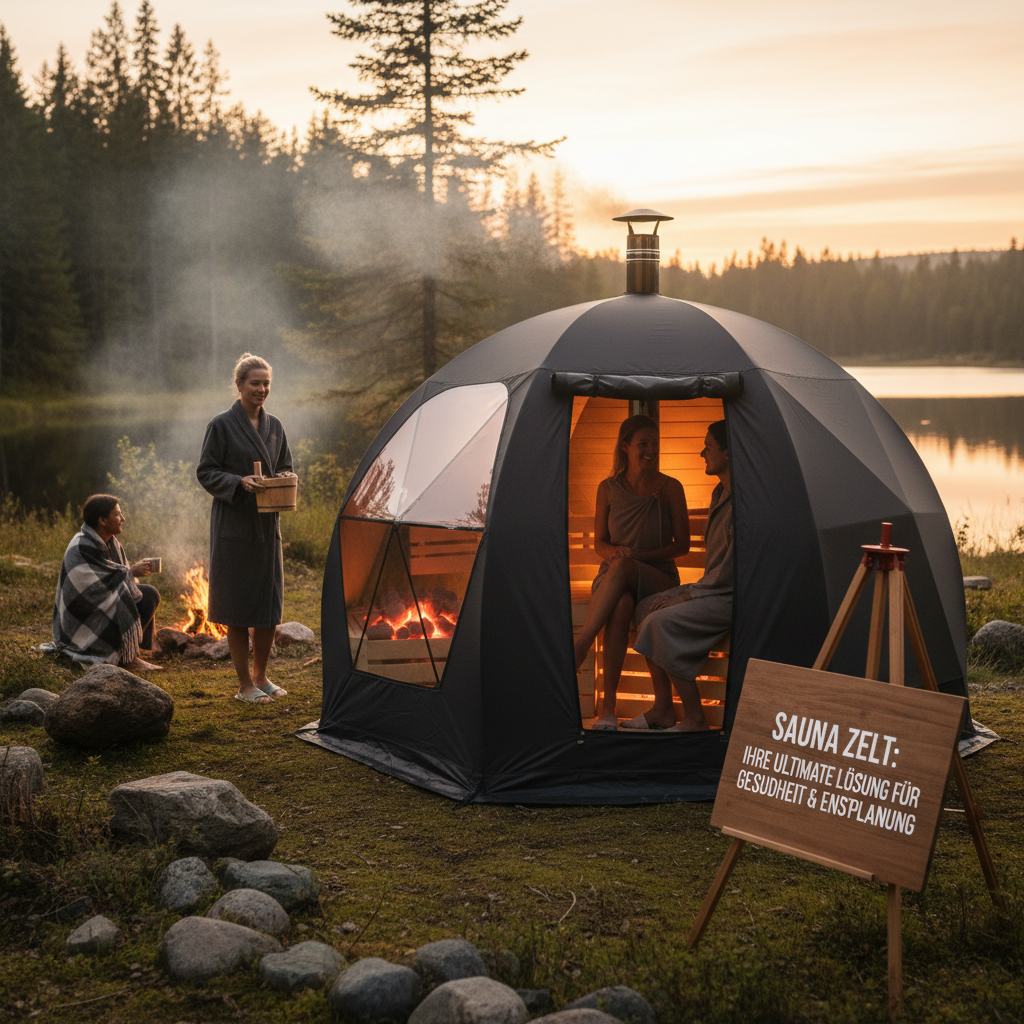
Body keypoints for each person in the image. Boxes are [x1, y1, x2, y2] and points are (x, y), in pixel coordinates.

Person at [573, 414, 691, 730]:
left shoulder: (670, 487)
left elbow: (683, 546)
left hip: (659, 576)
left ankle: (582, 643)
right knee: (622, 604)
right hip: (615, 576)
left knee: (623, 569)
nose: (651, 450)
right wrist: (616, 554)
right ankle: (608, 712)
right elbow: (600, 542)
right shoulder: (608, 488)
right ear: (625, 447)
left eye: (655, 444)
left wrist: (637, 557)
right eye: (643, 444)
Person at [197, 352, 295, 704]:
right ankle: (244, 686)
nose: (262, 389)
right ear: (239, 385)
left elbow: (284, 464)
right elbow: (206, 472)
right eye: (255, 383)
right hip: (234, 526)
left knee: (268, 606)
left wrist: (283, 476)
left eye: (267, 383)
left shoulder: (276, 427)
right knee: (238, 608)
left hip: (268, 527)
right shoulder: (221, 425)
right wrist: (239, 481)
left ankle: (262, 677)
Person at [623, 419, 733, 731]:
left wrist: (687, 594)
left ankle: (696, 717)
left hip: (729, 597)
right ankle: (662, 709)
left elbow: (730, 571)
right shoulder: (718, 493)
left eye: (709, 447)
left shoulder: (744, 501)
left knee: (659, 621)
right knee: (644, 607)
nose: (702, 453)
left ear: (728, 453)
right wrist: (688, 591)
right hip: (712, 588)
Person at [52, 494, 162, 671]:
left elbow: (115, 579)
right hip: (85, 614)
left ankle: (130, 652)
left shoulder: (111, 543)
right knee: (144, 596)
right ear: (102, 520)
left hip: (103, 601)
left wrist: (129, 573)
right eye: (118, 514)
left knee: (148, 595)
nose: (123, 519)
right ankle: (126, 658)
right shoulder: (80, 546)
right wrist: (131, 571)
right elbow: (91, 589)